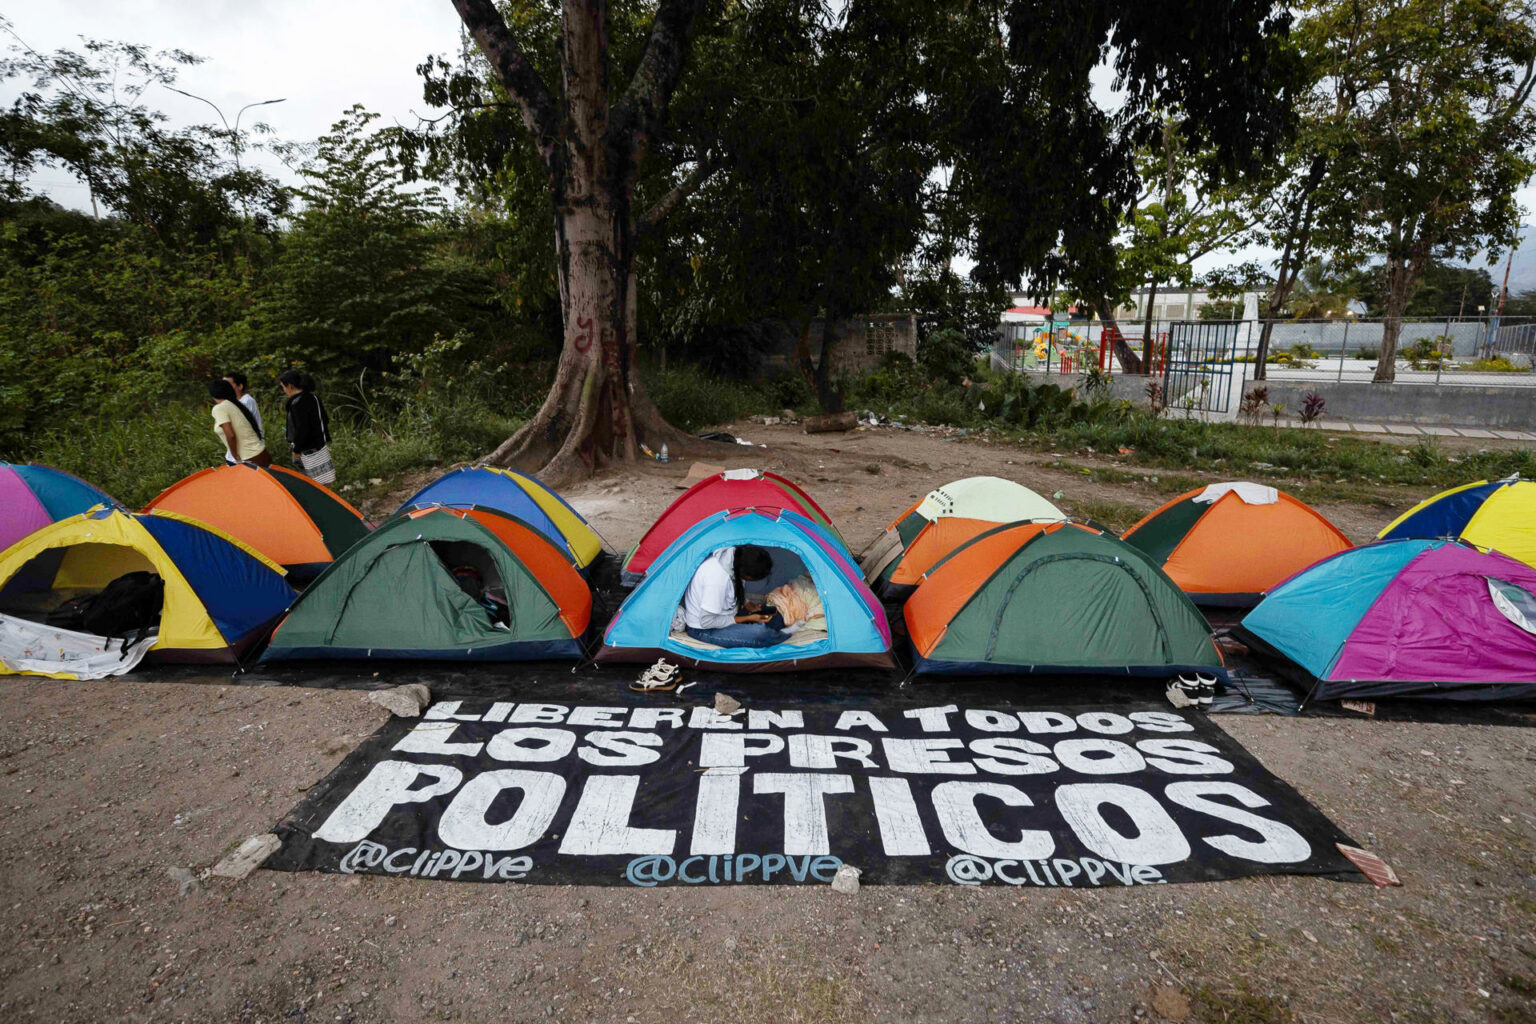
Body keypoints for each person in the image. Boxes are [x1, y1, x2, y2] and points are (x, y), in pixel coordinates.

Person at [680, 545, 787, 648]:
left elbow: (730, 592)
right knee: (762, 634)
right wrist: (746, 618)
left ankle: (771, 627)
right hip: (704, 630)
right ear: (747, 575)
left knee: (775, 614)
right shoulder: (717, 581)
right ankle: (778, 633)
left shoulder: (735, 559)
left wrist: (747, 604)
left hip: (727, 615)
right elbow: (707, 622)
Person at [279, 369, 335, 485]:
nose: (284, 390)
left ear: (290, 386)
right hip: (320, 445)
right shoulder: (313, 398)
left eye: (283, 387)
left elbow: (302, 429)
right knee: (323, 483)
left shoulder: (296, 403)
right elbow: (325, 419)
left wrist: (296, 450)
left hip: (307, 450)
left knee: (311, 484)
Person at [208, 379, 269, 466]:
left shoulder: (219, 408)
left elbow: (231, 435)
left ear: (213, 395)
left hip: (249, 458)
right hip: (260, 453)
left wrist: (235, 456)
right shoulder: (233, 404)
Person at [221, 371, 263, 465]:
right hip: (236, 455)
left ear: (240, 386)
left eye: (228, 385)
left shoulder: (246, 401)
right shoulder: (232, 402)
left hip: (247, 454)